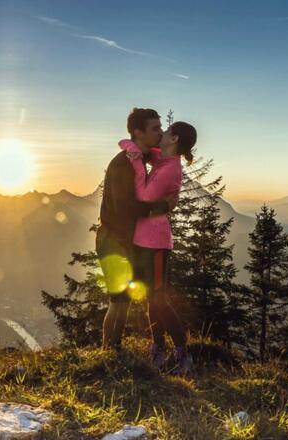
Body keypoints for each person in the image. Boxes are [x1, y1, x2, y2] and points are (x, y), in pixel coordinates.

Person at [118, 120, 197, 375]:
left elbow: (143, 196)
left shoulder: (170, 169)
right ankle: (158, 350)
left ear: (174, 140)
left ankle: (183, 354)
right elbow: (138, 148)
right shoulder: (163, 160)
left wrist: (134, 162)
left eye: (166, 130)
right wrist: (132, 146)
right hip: (144, 239)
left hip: (157, 243)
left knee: (159, 299)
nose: (161, 133)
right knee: (152, 299)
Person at [98, 108, 177, 350]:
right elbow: (125, 208)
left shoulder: (139, 159)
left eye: (161, 127)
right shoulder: (123, 164)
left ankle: (113, 349)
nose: (161, 132)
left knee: (123, 300)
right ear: (137, 132)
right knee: (119, 301)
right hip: (114, 240)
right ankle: (109, 351)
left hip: (125, 240)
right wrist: (162, 206)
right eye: (155, 128)